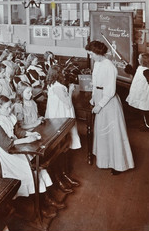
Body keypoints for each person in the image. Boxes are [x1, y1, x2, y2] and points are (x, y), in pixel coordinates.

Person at [0, 96, 61, 217]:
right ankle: (39, 208)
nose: (10, 109)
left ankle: (46, 200)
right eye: (7, 107)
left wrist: (30, 134)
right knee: (29, 173)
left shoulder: (9, 117)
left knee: (38, 167)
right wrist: (27, 140)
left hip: (16, 150)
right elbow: (6, 144)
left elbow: (17, 132)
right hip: (7, 156)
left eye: (10, 106)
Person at [86, 40, 134, 174]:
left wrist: (99, 105)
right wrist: (93, 97)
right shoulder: (97, 63)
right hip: (99, 98)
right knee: (102, 132)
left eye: (91, 54)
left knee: (113, 134)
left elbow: (110, 91)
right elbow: (96, 84)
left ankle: (118, 165)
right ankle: (105, 160)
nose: (90, 56)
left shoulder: (110, 67)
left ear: (98, 52)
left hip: (108, 103)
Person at [44, 65, 81, 191]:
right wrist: (70, 90)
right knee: (62, 148)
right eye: (62, 72)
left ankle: (64, 175)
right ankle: (60, 178)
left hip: (59, 117)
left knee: (64, 147)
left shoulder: (52, 84)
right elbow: (68, 103)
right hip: (61, 119)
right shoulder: (58, 87)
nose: (64, 74)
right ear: (57, 74)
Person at [126, 53, 149, 130]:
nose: (138, 59)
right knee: (143, 109)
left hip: (144, 93)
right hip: (140, 92)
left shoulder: (146, 71)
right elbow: (135, 73)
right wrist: (129, 70)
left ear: (143, 61)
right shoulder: (141, 68)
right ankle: (146, 124)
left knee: (145, 110)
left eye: (139, 59)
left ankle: (147, 126)